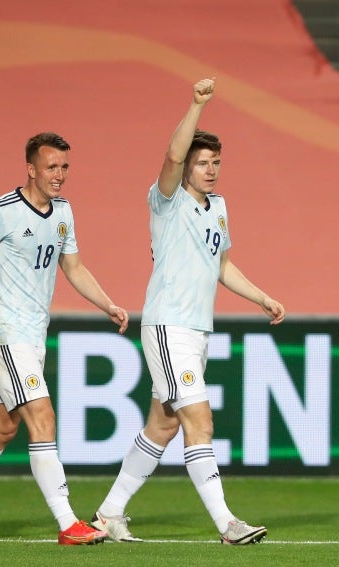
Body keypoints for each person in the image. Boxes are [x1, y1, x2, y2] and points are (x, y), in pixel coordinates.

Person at [89, 77, 285, 545]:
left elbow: (222, 265)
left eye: (216, 162)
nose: (211, 169)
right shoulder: (167, 200)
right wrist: (196, 105)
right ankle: (228, 524)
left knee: (164, 423)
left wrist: (260, 297)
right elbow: (172, 157)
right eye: (203, 162)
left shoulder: (218, 207)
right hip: (167, 326)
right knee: (200, 421)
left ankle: (109, 512)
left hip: (197, 331)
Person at [0, 132, 129, 545]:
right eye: (51, 167)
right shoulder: (0, 212)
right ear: (30, 168)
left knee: (2, 428)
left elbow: (74, 268)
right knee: (42, 417)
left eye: (64, 167)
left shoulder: (63, 212)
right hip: (7, 333)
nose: (59, 176)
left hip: (33, 337)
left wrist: (107, 304)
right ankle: (67, 523)